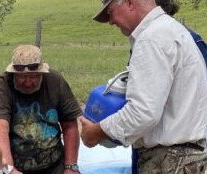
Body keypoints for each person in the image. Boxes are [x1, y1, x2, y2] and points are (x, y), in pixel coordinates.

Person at [80, 0, 207, 173]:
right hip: (188, 157)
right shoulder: (173, 30)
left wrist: (98, 131)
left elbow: (143, 112)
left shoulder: (151, 38)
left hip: (168, 161)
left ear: (130, 2)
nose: (111, 21)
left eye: (110, 12)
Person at [0, 45, 82, 174]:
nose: (28, 82)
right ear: (13, 73)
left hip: (54, 164)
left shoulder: (55, 81)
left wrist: (70, 167)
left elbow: (70, 125)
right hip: (14, 165)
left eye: (34, 77)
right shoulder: (1, 86)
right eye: (22, 77)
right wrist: (9, 170)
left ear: (42, 72)